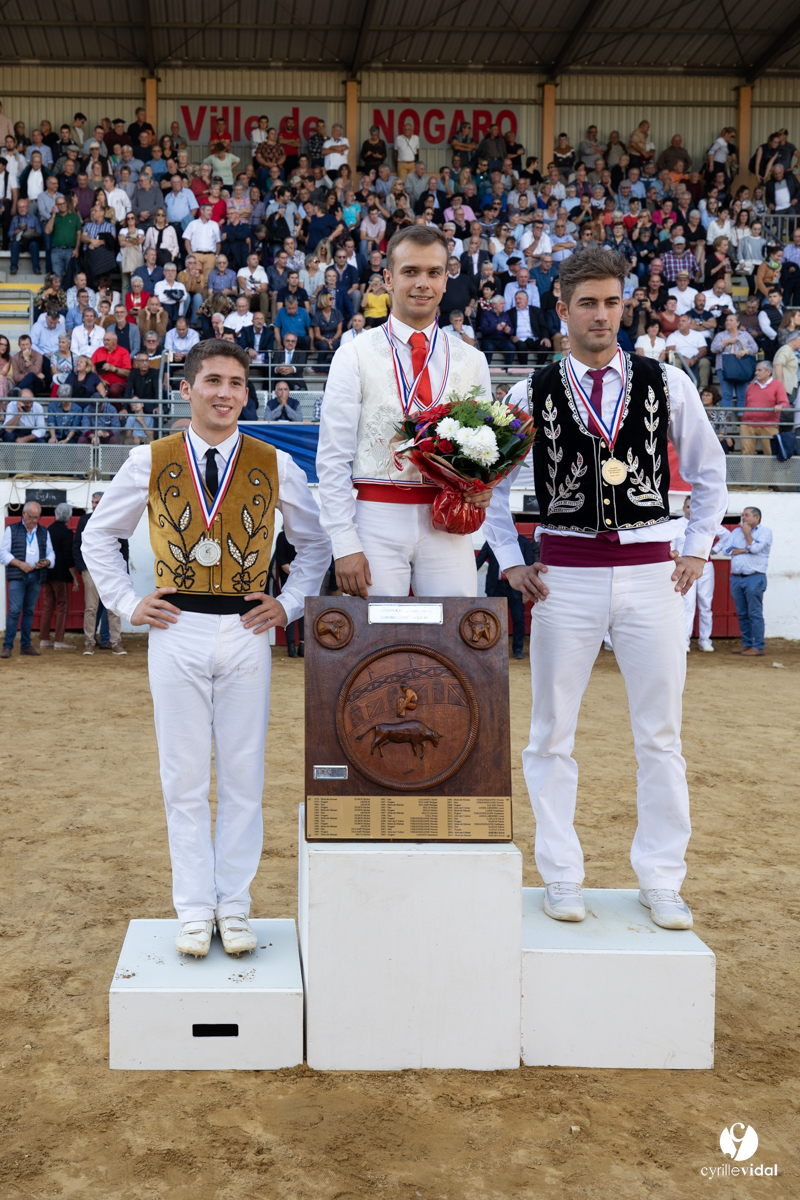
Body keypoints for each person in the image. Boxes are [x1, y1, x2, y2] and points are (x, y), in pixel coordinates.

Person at [483, 247, 727, 931]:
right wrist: (509, 561)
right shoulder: (527, 391)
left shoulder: (667, 382)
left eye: (612, 302)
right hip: (565, 577)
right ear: (561, 309)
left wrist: (698, 550)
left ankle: (662, 877)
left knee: (661, 735)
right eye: (587, 303)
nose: (600, 315)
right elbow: (490, 489)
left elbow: (710, 475)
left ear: (626, 305)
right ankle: (561, 872)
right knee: (550, 734)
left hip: (654, 574)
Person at [82, 340, 331, 957]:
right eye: (213, 381)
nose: (225, 393)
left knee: (244, 776)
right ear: (187, 388)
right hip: (176, 629)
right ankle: (194, 907)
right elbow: (98, 537)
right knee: (184, 778)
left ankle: (235, 905)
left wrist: (291, 603)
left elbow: (316, 545)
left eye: (237, 383)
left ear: (247, 393)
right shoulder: (148, 459)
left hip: (248, 630)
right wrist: (126, 602)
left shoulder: (275, 462)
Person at [317, 224, 494, 598]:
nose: (422, 283)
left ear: (446, 280)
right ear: (387, 278)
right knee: (374, 645)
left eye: (433, 273)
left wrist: (482, 487)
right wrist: (344, 541)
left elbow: (483, 452)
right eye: (410, 271)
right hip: (375, 517)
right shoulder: (353, 353)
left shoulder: (471, 359)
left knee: (452, 642)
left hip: (448, 520)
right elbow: (333, 456)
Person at [72, 491, 126, 655]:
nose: (95, 505)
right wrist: (83, 569)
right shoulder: (84, 520)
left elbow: (124, 546)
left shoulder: (115, 519)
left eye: (98, 502)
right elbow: (77, 546)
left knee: (114, 607)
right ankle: (89, 642)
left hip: (111, 570)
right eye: (93, 502)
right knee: (91, 608)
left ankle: (115, 642)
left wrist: (122, 570)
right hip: (91, 570)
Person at [0, 500, 55, 657]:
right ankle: (8, 646)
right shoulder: (12, 529)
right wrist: (19, 564)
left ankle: (25, 645)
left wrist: (47, 561)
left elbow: (51, 553)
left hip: (36, 574)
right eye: (31, 517)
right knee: (15, 610)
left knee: (29, 611)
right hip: (18, 574)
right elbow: (3, 552)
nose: (34, 520)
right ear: (23, 514)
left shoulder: (44, 532)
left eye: (37, 517)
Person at [715, 508, 771, 657]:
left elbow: (756, 548)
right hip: (737, 578)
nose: (743, 518)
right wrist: (746, 549)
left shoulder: (765, 532)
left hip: (754, 577)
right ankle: (747, 644)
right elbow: (726, 550)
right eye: (743, 515)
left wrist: (747, 536)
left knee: (755, 613)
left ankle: (758, 646)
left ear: (757, 517)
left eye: (747, 515)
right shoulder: (735, 532)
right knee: (742, 613)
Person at [476, 533, 534, 659]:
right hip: (495, 586)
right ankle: (492, 649)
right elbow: (479, 560)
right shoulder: (491, 541)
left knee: (518, 618)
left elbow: (529, 564)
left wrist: (528, 591)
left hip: (516, 587)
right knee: (491, 619)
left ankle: (517, 649)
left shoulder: (523, 542)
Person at [672, 495, 717, 653]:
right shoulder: (676, 525)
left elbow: (726, 536)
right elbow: (670, 547)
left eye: (694, 507)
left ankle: (705, 640)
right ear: (684, 509)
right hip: (685, 568)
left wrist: (716, 550)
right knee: (688, 604)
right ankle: (685, 641)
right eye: (688, 506)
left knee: (706, 604)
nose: (691, 510)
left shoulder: (706, 523)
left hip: (706, 566)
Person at [39, 502, 80, 650]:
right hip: (60, 574)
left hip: (46, 573)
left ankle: (44, 639)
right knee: (62, 605)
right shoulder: (66, 532)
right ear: (68, 516)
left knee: (48, 606)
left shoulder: (48, 529)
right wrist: (75, 577)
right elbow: (68, 557)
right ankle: (58, 640)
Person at [739, 361, 789, 457]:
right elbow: (746, 404)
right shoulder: (750, 386)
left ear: (768, 372)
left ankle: (768, 473)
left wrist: (780, 406)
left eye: (759, 370)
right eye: (756, 370)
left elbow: (785, 403)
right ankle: (745, 473)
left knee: (771, 454)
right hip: (748, 424)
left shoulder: (777, 385)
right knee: (746, 454)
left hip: (769, 425)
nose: (756, 373)